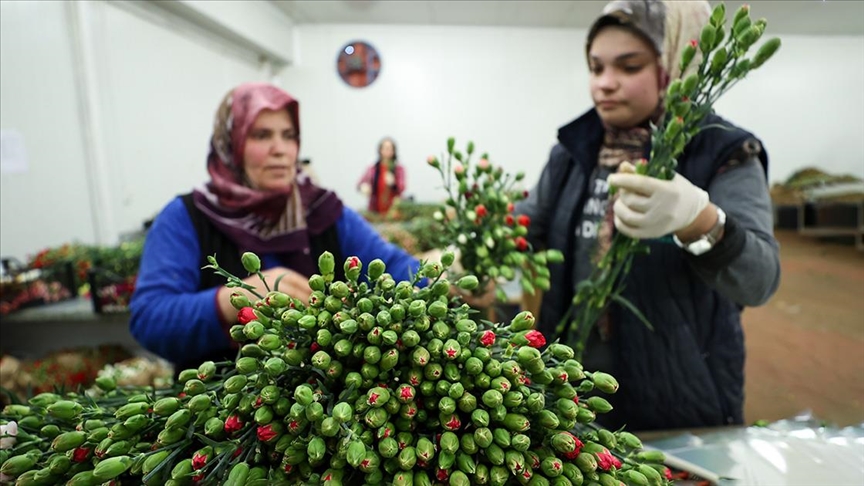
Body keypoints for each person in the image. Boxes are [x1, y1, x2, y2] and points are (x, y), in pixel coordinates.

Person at [517, 0, 780, 431]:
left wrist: (699, 219)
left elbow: (760, 279)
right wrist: (482, 243)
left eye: (629, 66)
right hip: (567, 388)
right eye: (596, 67)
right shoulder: (573, 150)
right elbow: (532, 221)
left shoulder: (722, 152)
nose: (605, 83)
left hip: (675, 398)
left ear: (677, 60)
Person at [129, 83, 421, 371]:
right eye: (261, 135)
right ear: (231, 143)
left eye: (289, 136)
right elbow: (150, 319)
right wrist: (231, 300)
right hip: (222, 404)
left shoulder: (322, 211)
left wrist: (449, 284)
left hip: (322, 406)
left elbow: (393, 269)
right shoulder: (187, 217)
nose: (280, 150)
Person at [357, 137, 406, 215]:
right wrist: (364, 187)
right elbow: (360, 184)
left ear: (394, 151)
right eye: (385, 148)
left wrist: (393, 184)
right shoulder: (372, 168)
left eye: (390, 148)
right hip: (375, 208)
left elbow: (402, 188)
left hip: (394, 210)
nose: (388, 151)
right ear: (380, 150)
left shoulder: (398, 169)